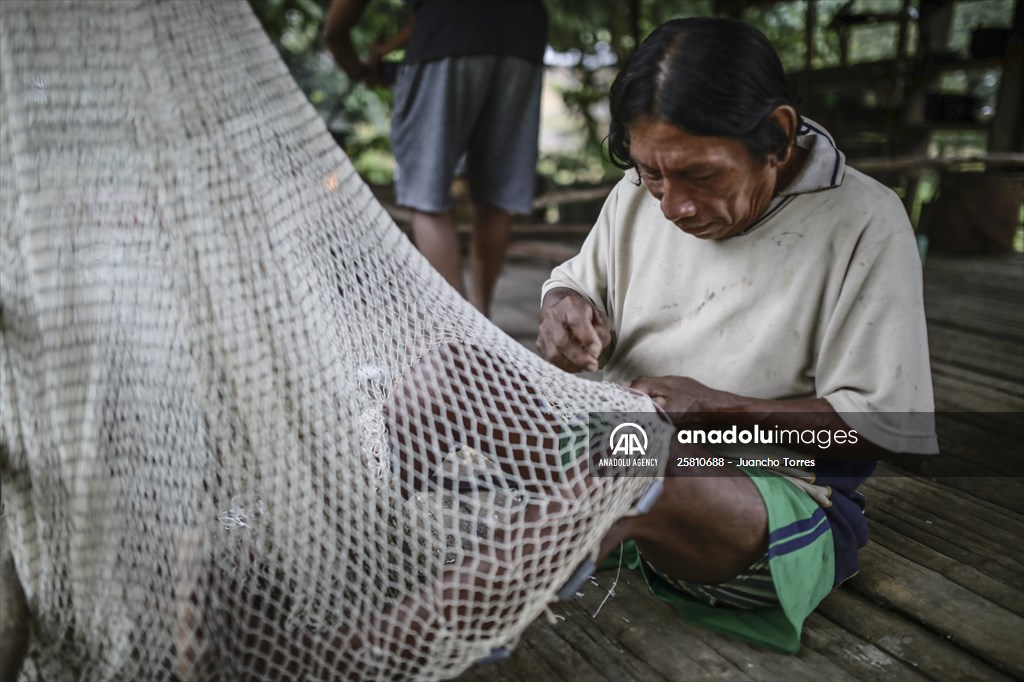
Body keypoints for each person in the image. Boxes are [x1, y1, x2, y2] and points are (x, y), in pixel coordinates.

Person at [537, 17, 939, 653]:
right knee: (448, 373)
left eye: (701, 175)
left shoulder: (866, 220)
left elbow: (870, 431)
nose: (672, 206)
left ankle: (411, 635)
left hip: (757, 497)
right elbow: (577, 282)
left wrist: (713, 412)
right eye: (652, 175)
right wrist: (565, 305)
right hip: (605, 443)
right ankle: (379, 546)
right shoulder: (646, 185)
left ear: (777, 136)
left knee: (641, 463)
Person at [324, 0, 548, 317]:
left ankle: (461, 335)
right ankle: (482, 319)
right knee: (496, 196)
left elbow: (336, 27)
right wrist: (386, 49)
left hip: (443, 36)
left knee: (426, 195)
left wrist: (357, 69)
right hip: (522, 39)